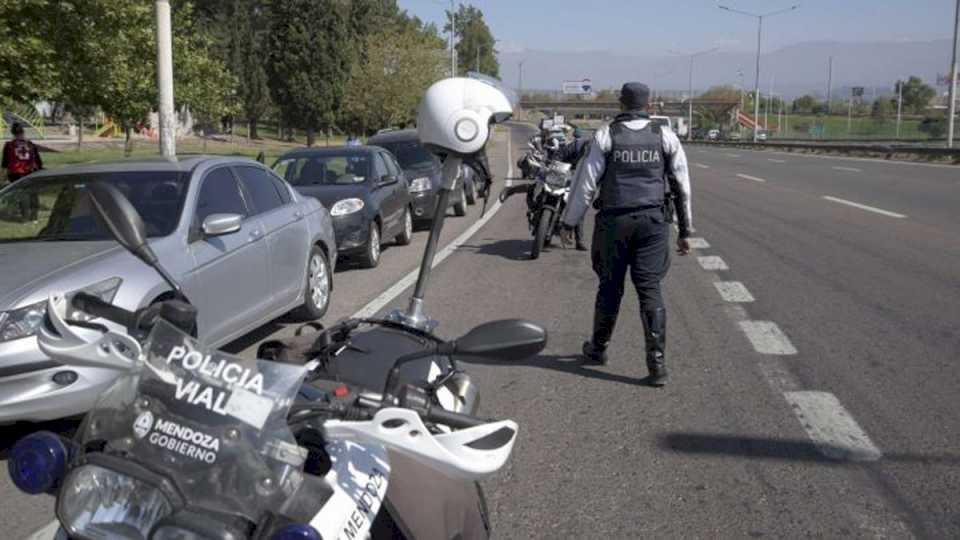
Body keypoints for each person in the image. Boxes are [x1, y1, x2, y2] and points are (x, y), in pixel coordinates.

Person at [559, 82, 692, 387]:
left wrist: (569, 222)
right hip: (653, 222)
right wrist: (685, 231)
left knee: (610, 287)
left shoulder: (607, 135)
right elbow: (681, 186)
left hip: (613, 223)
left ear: (621, 104)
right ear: (649, 105)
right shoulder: (665, 136)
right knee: (650, 289)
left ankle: (598, 349)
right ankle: (657, 365)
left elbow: (585, 184)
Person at [556, 127, 591, 251]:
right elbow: (559, 157)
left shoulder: (592, 153)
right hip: (567, 176)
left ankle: (579, 241)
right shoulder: (576, 146)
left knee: (578, 209)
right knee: (557, 200)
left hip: (576, 181)